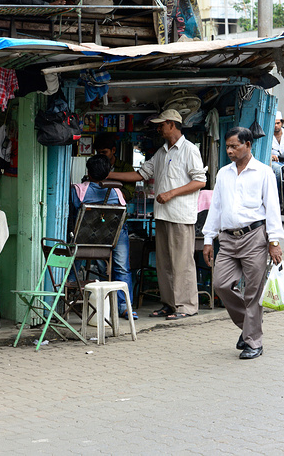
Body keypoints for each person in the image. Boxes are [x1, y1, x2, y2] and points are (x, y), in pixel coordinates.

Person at [109, 109, 207, 320]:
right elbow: (141, 174)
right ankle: (170, 304)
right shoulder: (162, 152)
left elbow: (200, 181)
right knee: (164, 263)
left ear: (172, 124)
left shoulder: (189, 150)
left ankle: (186, 306)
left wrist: (172, 193)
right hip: (163, 215)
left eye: (161, 124)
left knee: (182, 263)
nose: (158, 128)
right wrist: (108, 175)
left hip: (180, 215)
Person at [202, 127, 284, 360]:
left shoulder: (264, 172)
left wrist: (274, 241)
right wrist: (208, 239)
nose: (229, 150)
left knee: (253, 292)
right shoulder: (223, 174)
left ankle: (254, 342)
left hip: (254, 237)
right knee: (221, 284)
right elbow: (216, 207)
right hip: (227, 239)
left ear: (248, 145)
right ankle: (248, 327)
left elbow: (272, 208)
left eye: (234, 146)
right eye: (227, 146)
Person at [70, 155, 136, 319]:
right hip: (111, 239)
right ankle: (124, 307)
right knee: (122, 267)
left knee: (73, 258)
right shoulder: (117, 192)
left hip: (85, 240)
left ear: (88, 172)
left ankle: (67, 298)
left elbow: (73, 216)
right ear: (108, 174)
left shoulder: (78, 191)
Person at [94, 134, 136, 203]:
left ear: (113, 150)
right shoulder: (95, 166)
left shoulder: (126, 168)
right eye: (99, 153)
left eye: (104, 152)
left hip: (117, 209)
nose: (101, 156)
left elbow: (128, 194)